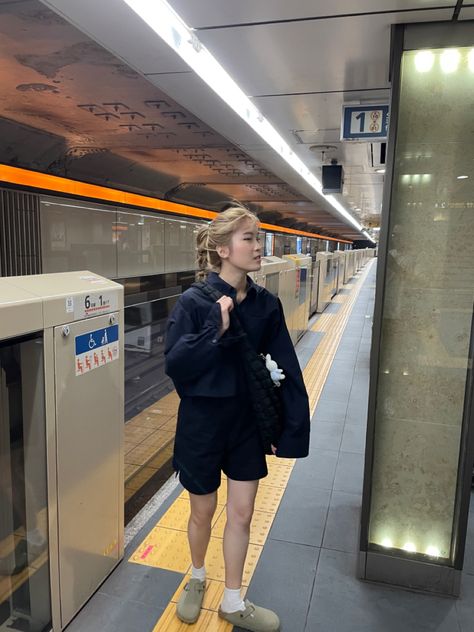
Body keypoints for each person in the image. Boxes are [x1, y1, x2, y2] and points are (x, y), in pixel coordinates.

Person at [165, 205, 310, 631]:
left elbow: (286, 364)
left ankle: (232, 598)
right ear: (224, 249)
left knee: (242, 513)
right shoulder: (194, 303)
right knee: (201, 512)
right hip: (202, 422)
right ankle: (195, 577)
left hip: (246, 423)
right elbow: (175, 364)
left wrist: (290, 427)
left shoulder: (267, 305)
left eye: (258, 236)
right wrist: (215, 330)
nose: (259, 245)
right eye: (249, 238)